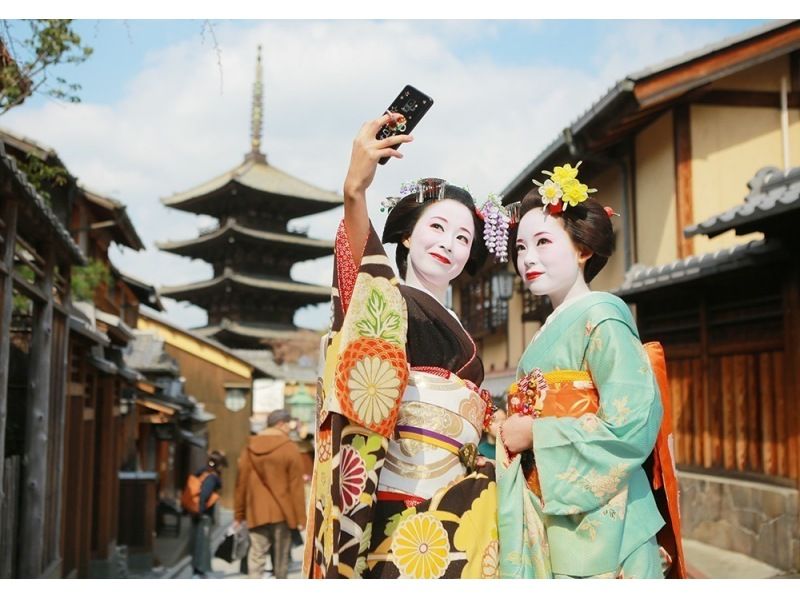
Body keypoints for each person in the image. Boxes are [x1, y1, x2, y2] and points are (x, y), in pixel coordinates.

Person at [303, 113, 501, 579]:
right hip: (395, 498)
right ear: (407, 234)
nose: (449, 243)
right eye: (437, 228)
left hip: (457, 502)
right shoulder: (386, 297)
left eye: (463, 238)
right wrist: (355, 190)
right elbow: (360, 262)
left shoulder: (459, 324)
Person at [497, 163, 683, 579]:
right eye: (521, 247)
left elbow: (630, 425)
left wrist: (535, 433)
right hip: (551, 509)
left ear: (582, 249)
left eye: (543, 242)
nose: (528, 258)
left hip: (609, 521)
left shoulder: (603, 316)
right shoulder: (543, 333)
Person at [234, 408, 306, 579]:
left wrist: (239, 513)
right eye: (289, 425)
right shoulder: (290, 448)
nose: (290, 428)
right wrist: (301, 518)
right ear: (281, 424)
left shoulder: (249, 448)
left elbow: (241, 484)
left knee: (256, 555)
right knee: (281, 560)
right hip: (283, 513)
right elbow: (296, 487)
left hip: (255, 512)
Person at [190, 450, 227, 578]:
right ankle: (200, 570)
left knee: (198, 541)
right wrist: (201, 511)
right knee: (203, 542)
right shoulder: (211, 477)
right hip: (203, 514)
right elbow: (205, 495)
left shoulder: (203, 472)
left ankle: (198, 569)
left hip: (198, 512)